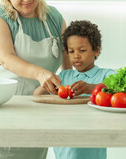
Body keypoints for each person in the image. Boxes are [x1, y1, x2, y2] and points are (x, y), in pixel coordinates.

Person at [0, 0, 71, 159]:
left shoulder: (54, 17)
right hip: (3, 107)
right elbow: (6, 59)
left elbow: (68, 60)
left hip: (40, 109)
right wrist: (41, 73)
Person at [34, 20, 115, 159]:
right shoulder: (65, 76)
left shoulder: (106, 75)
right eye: (71, 51)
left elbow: (117, 91)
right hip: (64, 145)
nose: (76, 55)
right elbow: (36, 95)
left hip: (93, 146)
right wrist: (47, 83)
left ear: (96, 50)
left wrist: (91, 88)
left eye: (82, 50)